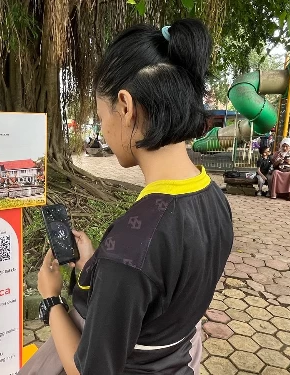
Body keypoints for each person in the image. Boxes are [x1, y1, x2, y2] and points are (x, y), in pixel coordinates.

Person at [20, 19, 233, 375]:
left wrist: (52, 299)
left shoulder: (133, 241)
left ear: (125, 105)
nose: (103, 129)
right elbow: (160, 298)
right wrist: (97, 268)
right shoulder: (214, 198)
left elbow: (89, 370)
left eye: (101, 116)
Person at [269, 138, 290, 202]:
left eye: (287, 146)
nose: (285, 148)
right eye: (283, 146)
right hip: (280, 170)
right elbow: (273, 165)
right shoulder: (277, 153)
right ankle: (274, 193)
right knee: (275, 173)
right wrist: (278, 162)